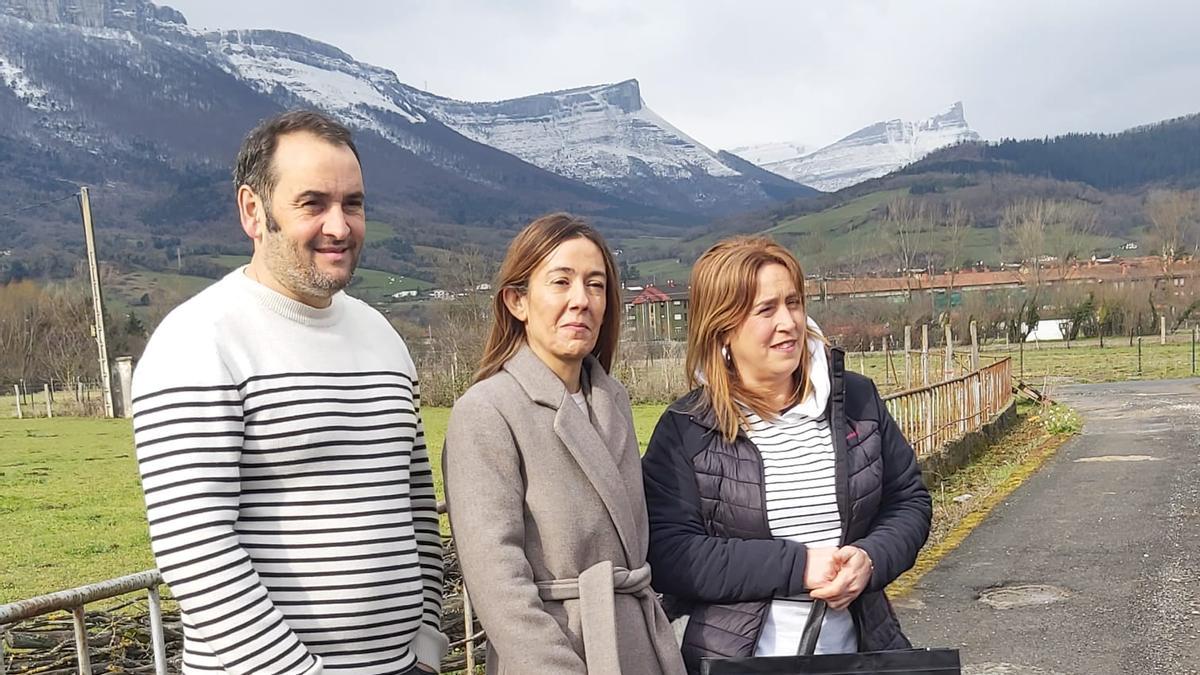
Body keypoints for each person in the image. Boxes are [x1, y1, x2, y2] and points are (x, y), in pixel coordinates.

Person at [132, 110, 447, 675]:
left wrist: (425, 644)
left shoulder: (383, 337)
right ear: (254, 210)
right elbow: (196, 549)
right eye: (313, 204)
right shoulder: (198, 341)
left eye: (353, 203)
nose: (339, 225)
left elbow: (417, 505)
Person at [642, 236, 932, 673]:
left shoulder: (856, 401)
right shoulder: (687, 429)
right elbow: (670, 554)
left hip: (856, 655)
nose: (789, 323)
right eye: (765, 309)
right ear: (723, 329)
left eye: (793, 303)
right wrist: (799, 566)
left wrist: (870, 559)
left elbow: (909, 502)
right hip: (734, 660)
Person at [442, 213, 686, 675]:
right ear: (517, 301)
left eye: (595, 285)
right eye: (561, 282)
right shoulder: (487, 411)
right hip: (555, 654)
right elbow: (499, 590)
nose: (582, 300)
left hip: (639, 646)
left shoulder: (613, 399)